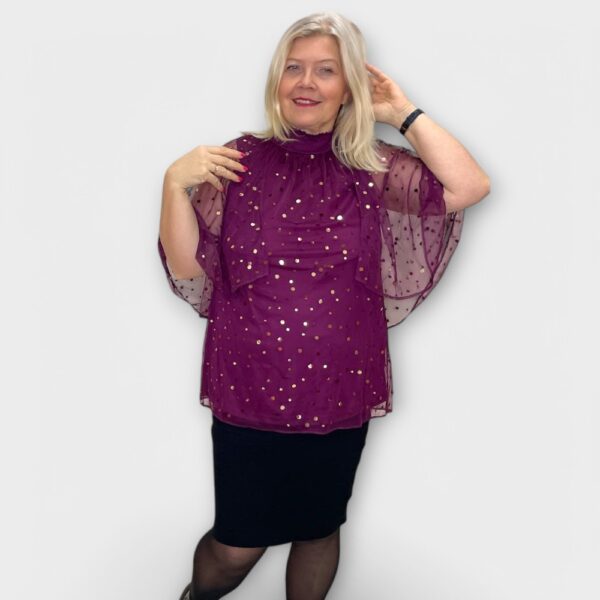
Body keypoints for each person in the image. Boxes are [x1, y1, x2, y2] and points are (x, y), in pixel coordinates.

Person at [158, 11, 490, 600]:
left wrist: (401, 113)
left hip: (338, 387)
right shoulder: (238, 160)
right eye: (294, 67)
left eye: (326, 70)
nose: (306, 82)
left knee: (318, 529)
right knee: (236, 545)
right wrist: (172, 184)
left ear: (348, 88)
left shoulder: (372, 167)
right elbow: (186, 268)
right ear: (277, 79)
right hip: (249, 388)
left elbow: (469, 186)